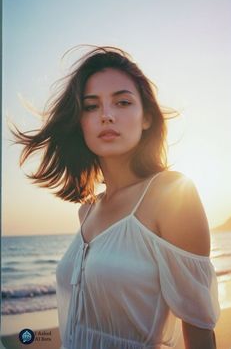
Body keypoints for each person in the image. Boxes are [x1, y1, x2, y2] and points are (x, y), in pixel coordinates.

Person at [13, 46, 220, 349]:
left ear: (146, 117)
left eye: (122, 102)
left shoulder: (171, 195)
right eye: (91, 106)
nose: (107, 116)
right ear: (79, 121)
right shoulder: (87, 210)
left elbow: (199, 331)